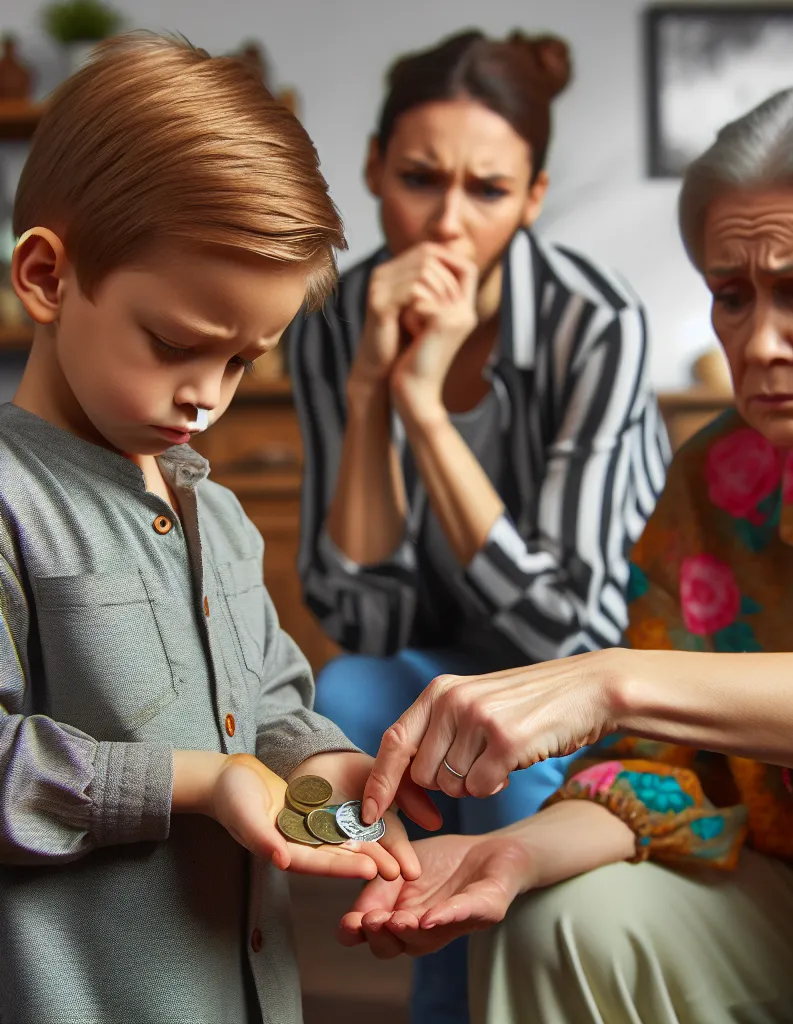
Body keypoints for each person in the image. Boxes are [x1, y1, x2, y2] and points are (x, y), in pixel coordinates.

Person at [343, 77, 793, 1024]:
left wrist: (612, 677)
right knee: (561, 924)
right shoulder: (725, 473)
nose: (761, 343)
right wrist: (518, 854)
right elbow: (667, 763)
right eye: (731, 297)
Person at [0, 34, 436, 1024]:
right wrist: (196, 783)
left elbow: (270, 701)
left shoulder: (219, 515)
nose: (205, 397)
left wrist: (329, 769)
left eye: (243, 362)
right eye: (176, 345)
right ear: (45, 277)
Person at [289, 28, 668, 1024]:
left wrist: (424, 405)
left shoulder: (597, 324)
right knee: (340, 696)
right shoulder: (332, 321)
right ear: (373, 169)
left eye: (488, 191)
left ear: (533, 197)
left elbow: (569, 635)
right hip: (436, 655)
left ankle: (465, 991)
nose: (446, 223)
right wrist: (371, 385)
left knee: (501, 771)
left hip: (587, 669)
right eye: (419, 178)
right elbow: (363, 620)